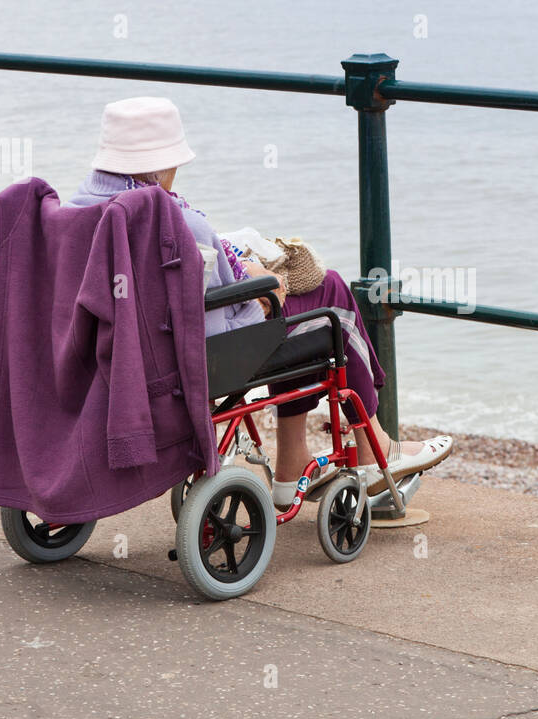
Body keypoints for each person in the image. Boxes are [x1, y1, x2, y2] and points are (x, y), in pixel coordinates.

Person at [66, 96, 453, 505]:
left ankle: (293, 460)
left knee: (300, 312)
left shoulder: (77, 212)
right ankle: (374, 445)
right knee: (331, 296)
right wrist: (265, 298)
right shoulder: (178, 223)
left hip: (122, 355)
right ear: (161, 165)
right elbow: (212, 323)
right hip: (196, 360)